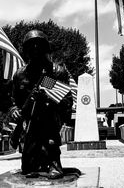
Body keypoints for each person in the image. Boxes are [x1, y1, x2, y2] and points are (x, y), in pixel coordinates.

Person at [10, 30, 73, 179]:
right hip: (29, 120)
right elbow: (14, 99)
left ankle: (53, 164)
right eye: (31, 45)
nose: (35, 48)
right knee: (27, 168)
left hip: (50, 118)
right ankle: (32, 161)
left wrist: (47, 96)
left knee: (50, 142)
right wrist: (14, 110)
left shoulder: (55, 72)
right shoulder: (20, 74)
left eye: (39, 45)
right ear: (26, 50)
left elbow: (67, 101)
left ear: (46, 48)